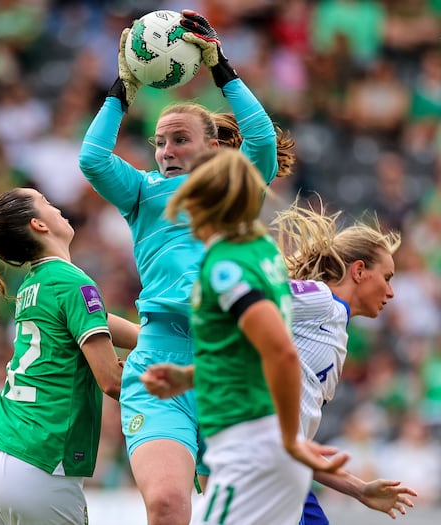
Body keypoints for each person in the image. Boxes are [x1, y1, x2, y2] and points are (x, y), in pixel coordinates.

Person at [78, 10, 293, 524]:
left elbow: (261, 142)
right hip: (160, 357)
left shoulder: (235, 186)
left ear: (214, 148)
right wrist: (121, 90)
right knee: (169, 505)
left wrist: (222, 69)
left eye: (180, 140)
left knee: (239, 515)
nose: (167, 151)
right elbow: (92, 158)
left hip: (229, 363)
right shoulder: (142, 192)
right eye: (159, 142)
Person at [141, 147, 347, 525]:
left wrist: (288, 441)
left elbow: (281, 352)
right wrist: (188, 378)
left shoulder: (225, 268)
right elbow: (246, 352)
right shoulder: (260, 252)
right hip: (259, 450)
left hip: (250, 451)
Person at [0, 188, 138, 524]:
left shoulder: (35, 283)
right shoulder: (73, 282)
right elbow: (112, 381)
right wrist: (187, 381)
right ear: (38, 224)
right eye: (47, 203)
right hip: (36, 458)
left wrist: (163, 341)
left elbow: (97, 321)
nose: (57, 207)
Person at [271, 199, 417, 523]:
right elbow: (251, 295)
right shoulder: (321, 299)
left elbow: (297, 441)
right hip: (264, 468)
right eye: (388, 277)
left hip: (287, 468)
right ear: (360, 270)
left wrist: (360, 490)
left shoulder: (336, 327)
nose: (391, 292)